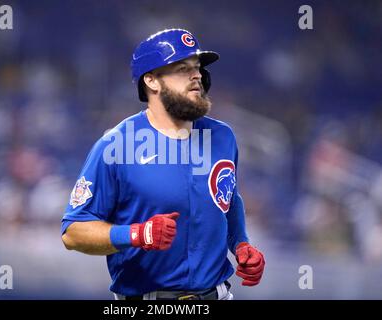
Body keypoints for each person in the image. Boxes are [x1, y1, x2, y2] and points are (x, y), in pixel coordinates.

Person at [61, 28, 265, 300]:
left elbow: (227, 197)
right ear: (152, 81)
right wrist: (136, 234)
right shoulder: (116, 145)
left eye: (197, 68)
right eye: (182, 68)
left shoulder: (223, 136)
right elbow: (73, 232)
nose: (197, 76)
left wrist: (240, 244)